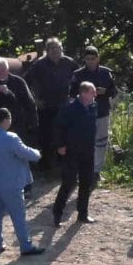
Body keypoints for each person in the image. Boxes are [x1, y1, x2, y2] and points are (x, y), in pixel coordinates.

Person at [0, 108, 44, 258]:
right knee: (18, 216)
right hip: (12, 184)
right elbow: (26, 152)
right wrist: (38, 153)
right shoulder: (11, 138)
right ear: (6, 120)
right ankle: (25, 246)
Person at [50, 81, 99, 227]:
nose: (95, 94)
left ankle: (83, 214)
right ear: (83, 93)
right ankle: (57, 214)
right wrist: (60, 145)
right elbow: (58, 127)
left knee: (86, 182)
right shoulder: (69, 108)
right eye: (92, 92)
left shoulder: (93, 107)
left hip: (88, 150)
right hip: (71, 150)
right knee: (69, 182)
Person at [75, 46, 119, 173]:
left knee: (101, 141)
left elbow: (114, 91)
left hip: (102, 111)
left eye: (93, 59)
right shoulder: (78, 75)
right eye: (88, 59)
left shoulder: (106, 73)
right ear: (84, 59)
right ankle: (85, 168)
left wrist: (105, 91)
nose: (91, 61)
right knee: (85, 141)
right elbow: (72, 94)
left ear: (98, 58)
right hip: (84, 113)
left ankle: (97, 170)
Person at [26, 38, 78, 124]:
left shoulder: (69, 63)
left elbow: (79, 80)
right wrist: (35, 99)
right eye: (52, 48)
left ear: (61, 49)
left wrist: (74, 97)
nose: (55, 50)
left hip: (65, 105)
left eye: (57, 47)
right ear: (47, 51)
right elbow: (25, 82)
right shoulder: (39, 65)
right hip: (46, 107)